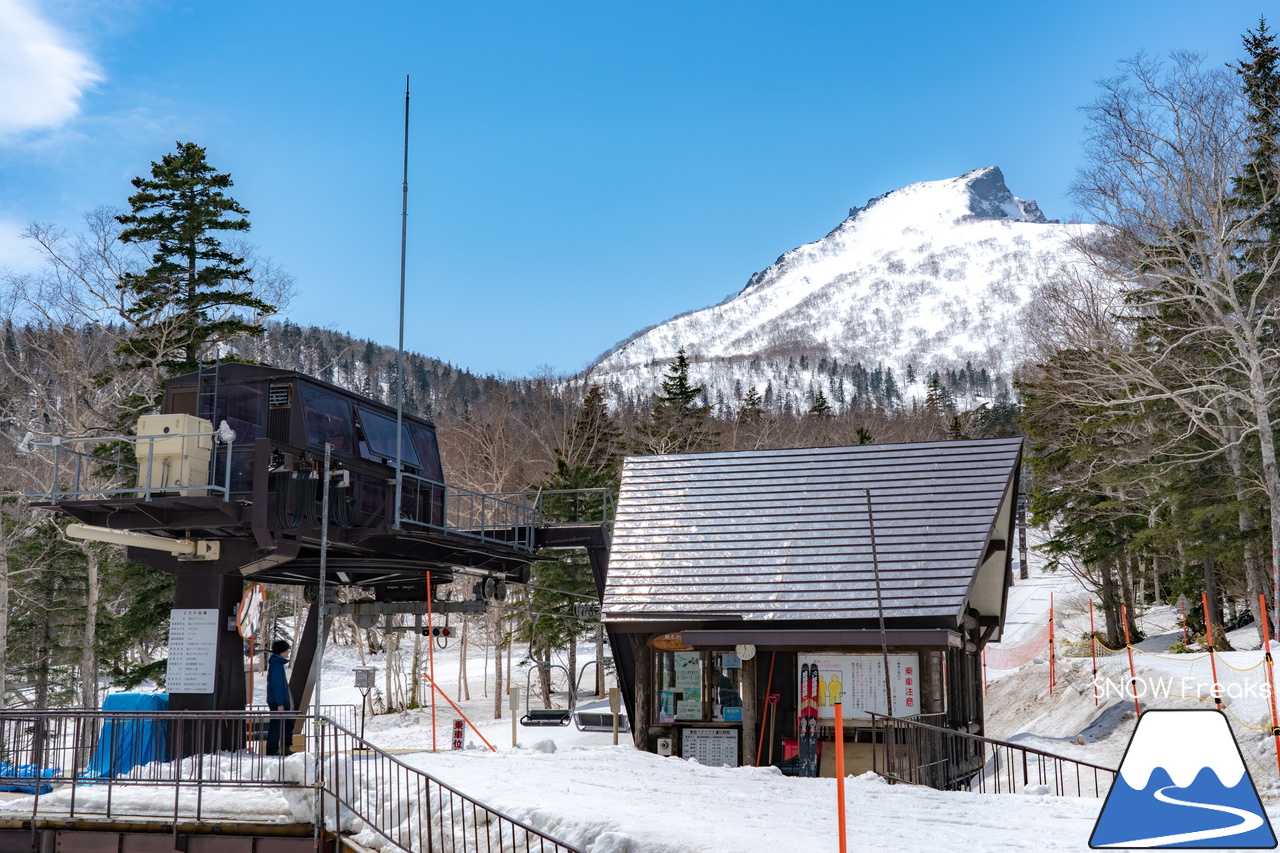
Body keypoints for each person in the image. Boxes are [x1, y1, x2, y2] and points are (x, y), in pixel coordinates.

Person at [266, 639, 294, 755]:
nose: (287, 652)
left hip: (280, 701)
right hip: (279, 702)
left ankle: (284, 748)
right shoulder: (277, 665)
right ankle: (273, 750)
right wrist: (279, 704)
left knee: (285, 725)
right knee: (277, 726)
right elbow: (276, 686)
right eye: (286, 650)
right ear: (282, 651)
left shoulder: (276, 664)